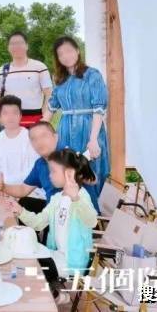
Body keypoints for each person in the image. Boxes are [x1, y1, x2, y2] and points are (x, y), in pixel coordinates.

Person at [5, 149, 97, 303]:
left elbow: (92, 221)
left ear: (69, 173)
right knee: (22, 254)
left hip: (73, 262)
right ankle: (54, 293)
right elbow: (39, 223)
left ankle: (54, 295)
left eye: (53, 171)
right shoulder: (57, 199)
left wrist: (76, 198)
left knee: (32, 265)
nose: (50, 175)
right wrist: (19, 210)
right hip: (56, 255)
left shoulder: (81, 197)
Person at [42, 36, 110, 212]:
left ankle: (93, 216)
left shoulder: (92, 75)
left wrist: (93, 139)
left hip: (89, 129)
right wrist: (39, 131)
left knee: (89, 171)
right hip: (65, 130)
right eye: (61, 54)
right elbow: (51, 106)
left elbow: (99, 109)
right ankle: (68, 213)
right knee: (66, 171)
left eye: (69, 51)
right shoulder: (60, 79)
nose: (66, 56)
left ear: (78, 51)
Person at [0, 95, 45, 210]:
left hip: (28, 191)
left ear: (20, 116)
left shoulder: (30, 138)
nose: (10, 117)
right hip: (3, 190)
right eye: (6, 113)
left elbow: (33, 171)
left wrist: (11, 189)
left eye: (14, 113)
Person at [0, 32, 53, 128]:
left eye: (20, 43)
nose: (16, 46)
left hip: (35, 120)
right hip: (10, 122)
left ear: (27, 46)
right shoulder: (3, 70)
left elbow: (49, 94)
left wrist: (45, 118)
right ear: (8, 48)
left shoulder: (40, 67)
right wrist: (1, 117)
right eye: (13, 44)